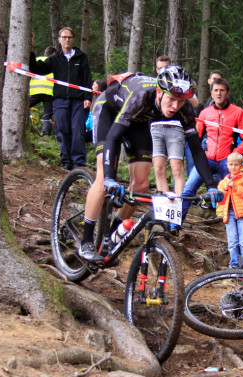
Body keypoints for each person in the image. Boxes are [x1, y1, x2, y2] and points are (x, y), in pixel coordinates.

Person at [77, 66, 222, 262]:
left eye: (181, 101)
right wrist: (110, 178)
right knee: (103, 179)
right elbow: (113, 138)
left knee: (141, 185)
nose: (175, 106)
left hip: (139, 121)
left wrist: (211, 186)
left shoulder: (184, 108)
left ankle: (110, 237)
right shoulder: (141, 96)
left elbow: (197, 150)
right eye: (171, 99)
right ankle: (86, 241)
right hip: (110, 111)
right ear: (160, 93)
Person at [179, 77, 243, 225]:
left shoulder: (238, 112)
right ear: (211, 93)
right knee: (188, 189)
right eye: (216, 90)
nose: (219, 93)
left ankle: (233, 229)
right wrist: (198, 150)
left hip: (227, 160)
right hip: (206, 159)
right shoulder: (205, 113)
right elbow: (196, 136)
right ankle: (174, 226)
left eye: (222, 90)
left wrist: (235, 154)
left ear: (227, 93)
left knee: (233, 194)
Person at [30, 27, 92, 170]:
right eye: (64, 37)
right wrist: (30, 49)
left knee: (77, 130)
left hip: (79, 100)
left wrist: (87, 97)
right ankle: (66, 162)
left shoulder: (81, 57)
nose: (67, 40)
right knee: (62, 129)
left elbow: (87, 78)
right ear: (59, 40)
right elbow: (37, 69)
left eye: (69, 37)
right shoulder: (55, 59)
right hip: (60, 100)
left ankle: (78, 162)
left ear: (73, 39)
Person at [150, 55, 187, 195]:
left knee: (177, 169)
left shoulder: (180, 83)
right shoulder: (153, 84)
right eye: (160, 68)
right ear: (156, 69)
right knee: (158, 168)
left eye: (166, 68)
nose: (162, 70)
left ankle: (180, 203)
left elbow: (194, 103)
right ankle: (163, 202)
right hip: (155, 127)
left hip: (175, 127)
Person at [218, 153, 243, 269]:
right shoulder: (224, 181)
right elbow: (220, 200)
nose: (233, 167)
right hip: (229, 214)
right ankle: (233, 264)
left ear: (241, 166)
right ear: (227, 165)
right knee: (232, 241)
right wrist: (225, 189)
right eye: (231, 164)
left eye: (236, 165)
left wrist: (235, 187)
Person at [29, 46, 57, 136]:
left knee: (24, 106)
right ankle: (46, 134)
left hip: (35, 91)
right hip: (49, 92)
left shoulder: (37, 60)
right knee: (47, 115)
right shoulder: (54, 62)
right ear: (54, 54)